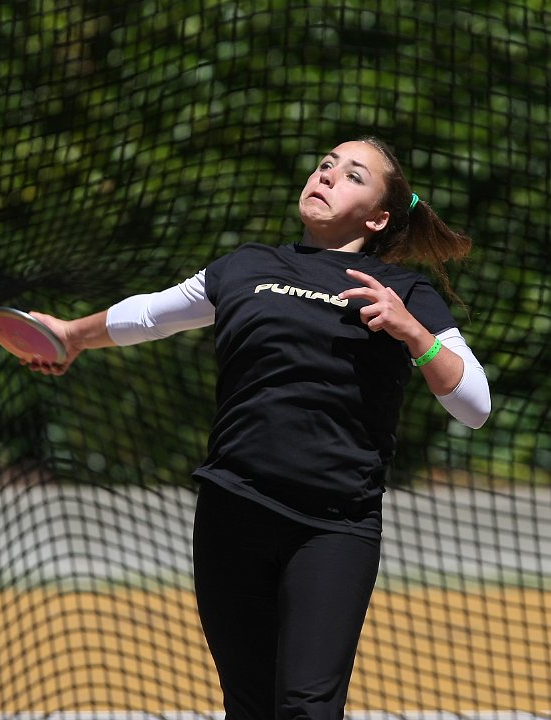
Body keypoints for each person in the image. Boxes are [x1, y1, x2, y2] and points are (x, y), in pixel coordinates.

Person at [26, 137, 491, 719]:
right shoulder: (246, 266)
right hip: (231, 513)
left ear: (378, 217)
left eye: (351, 174)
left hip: (332, 526)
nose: (326, 176)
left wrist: (414, 335)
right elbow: (148, 314)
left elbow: (474, 405)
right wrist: (71, 335)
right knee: (249, 707)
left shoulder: (404, 292)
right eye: (325, 165)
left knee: (306, 708)